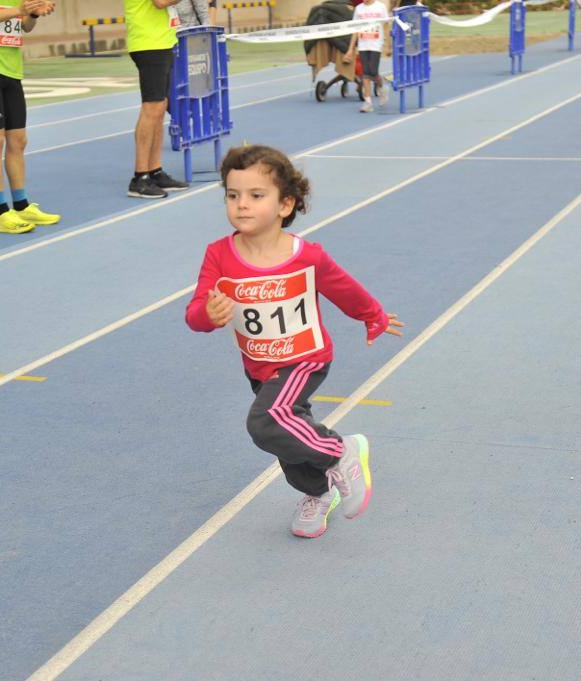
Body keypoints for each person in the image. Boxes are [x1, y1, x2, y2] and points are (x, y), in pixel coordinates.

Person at [185, 145, 404, 538]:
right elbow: (197, 311)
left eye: (256, 195)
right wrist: (207, 315)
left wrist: (373, 317)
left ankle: (340, 451)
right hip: (259, 364)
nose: (242, 205)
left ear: (285, 204)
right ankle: (317, 492)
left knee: (266, 422)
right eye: (232, 196)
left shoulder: (306, 256)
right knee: (286, 434)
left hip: (305, 358)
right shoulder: (218, 255)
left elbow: (344, 289)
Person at [0, 0, 61, 234]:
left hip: (12, 68)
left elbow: (25, 26)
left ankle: (21, 205)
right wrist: (20, 10)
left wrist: (34, 14)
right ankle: (1, 212)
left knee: (18, 140)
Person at [124, 0, 190, 198]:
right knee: (151, 108)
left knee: (160, 106)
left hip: (162, 40)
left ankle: (154, 170)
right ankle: (140, 177)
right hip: (149, 42)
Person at [343, 0, 389, 113]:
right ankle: (368, 102)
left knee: (373, 72)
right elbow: (355, 30)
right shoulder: (359, 9)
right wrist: (350, 49)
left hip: (376, 44)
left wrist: (389, 45)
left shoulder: (380, 7)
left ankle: (382, 86)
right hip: (363, 45)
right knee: (366, 74)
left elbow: (386, 26)